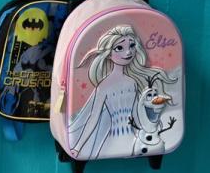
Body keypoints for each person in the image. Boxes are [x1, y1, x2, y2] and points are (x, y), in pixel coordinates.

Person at [68, 25, 176, 159]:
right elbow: (93, 118)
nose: (128, 52)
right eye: (119, 48)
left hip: (134, 140)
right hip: (113, 141)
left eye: (132, 46)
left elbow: (137, 115)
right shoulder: (104, 86)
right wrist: (77, 147)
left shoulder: (132, 82)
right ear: (108, 54)